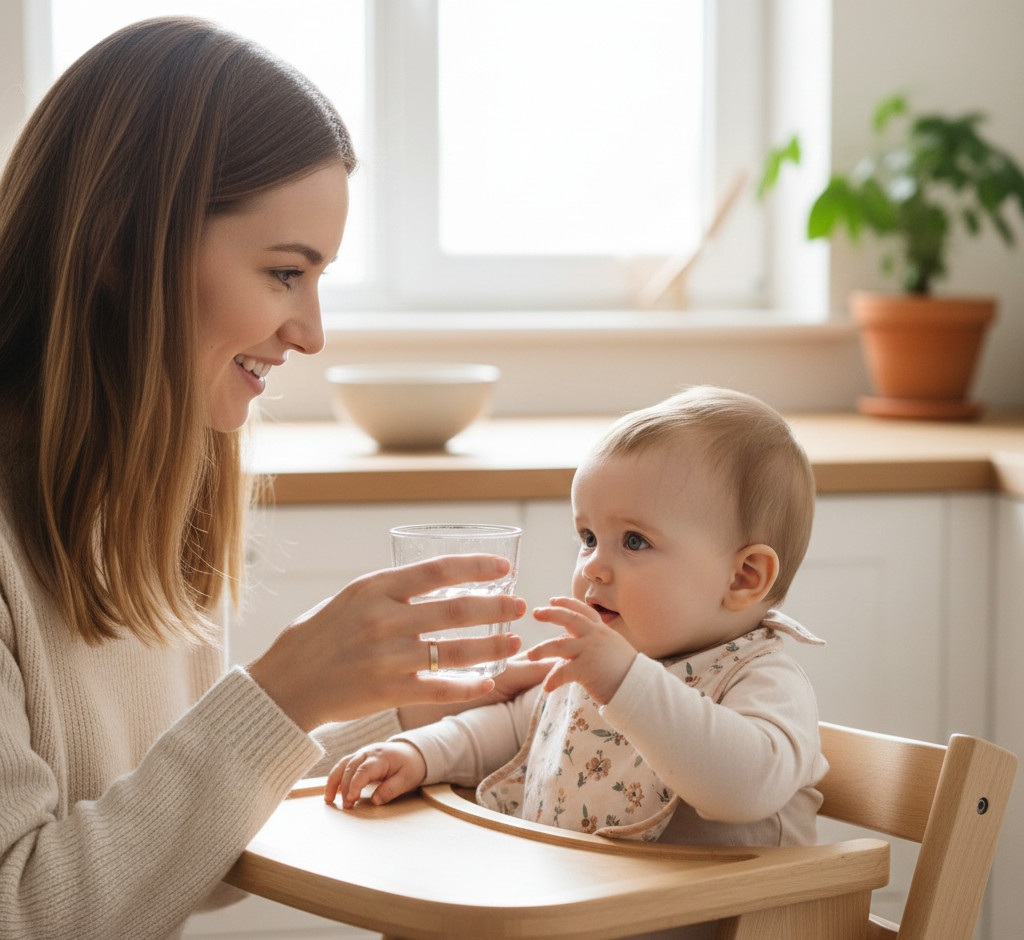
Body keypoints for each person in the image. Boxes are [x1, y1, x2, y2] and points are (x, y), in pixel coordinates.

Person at [0, 17, 545, 939]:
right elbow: (27, 908)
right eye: (285, 272)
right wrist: (281, 695)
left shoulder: (135, 510)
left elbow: (164, 855)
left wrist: (392, 722)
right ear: (121, 249)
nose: (312, 331)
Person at [328, 387, 828, 936]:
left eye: (634, 541)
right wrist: (419, 753)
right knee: (416, 914)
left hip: (716, 925)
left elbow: (744, 786)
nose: (593, 566)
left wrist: (623, 681)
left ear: (743, 578)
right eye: (587, 537)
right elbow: (514, 724)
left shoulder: (762, 678)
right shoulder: (606, 662)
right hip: (580, 915)